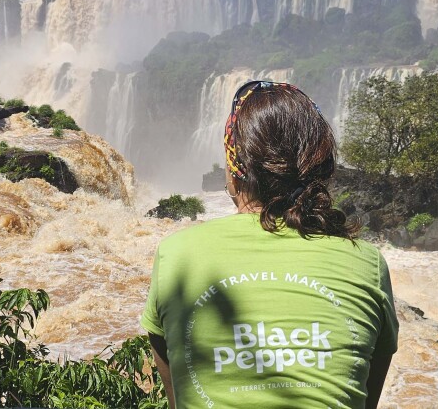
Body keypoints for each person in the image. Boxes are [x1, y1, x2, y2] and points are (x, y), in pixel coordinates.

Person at [142, 81, 399, 409]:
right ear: (322, 168)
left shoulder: (176, 257)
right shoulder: (366, 263)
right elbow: (362, 397)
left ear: (235, 170)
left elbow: (180, 399)